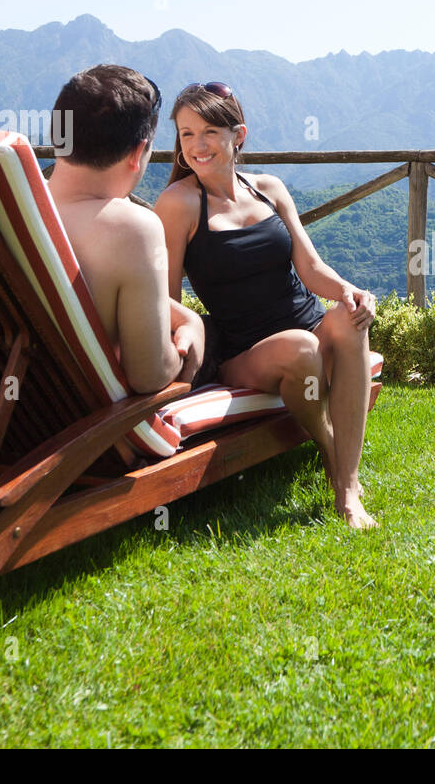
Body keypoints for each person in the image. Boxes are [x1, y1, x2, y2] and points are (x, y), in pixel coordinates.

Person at [153, 81, 378, 529]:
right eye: (186, 134)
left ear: (239, 135)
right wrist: (175, 354)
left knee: (350, 322)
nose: (197, 146)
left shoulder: (268, 189)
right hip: (245, 353)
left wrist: (351, 293)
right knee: (300, 348)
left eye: (209, 132)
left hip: (308, 327)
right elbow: (167, 297)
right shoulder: (178, 204)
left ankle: (347, 482)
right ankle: (341, 475)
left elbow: (312, 268)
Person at [47, 64, 205, 394]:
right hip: (82, 430)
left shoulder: (8, 202)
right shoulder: (131, 229)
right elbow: (148, 376)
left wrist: (175, 312)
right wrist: (195, 331)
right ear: (137, 153)